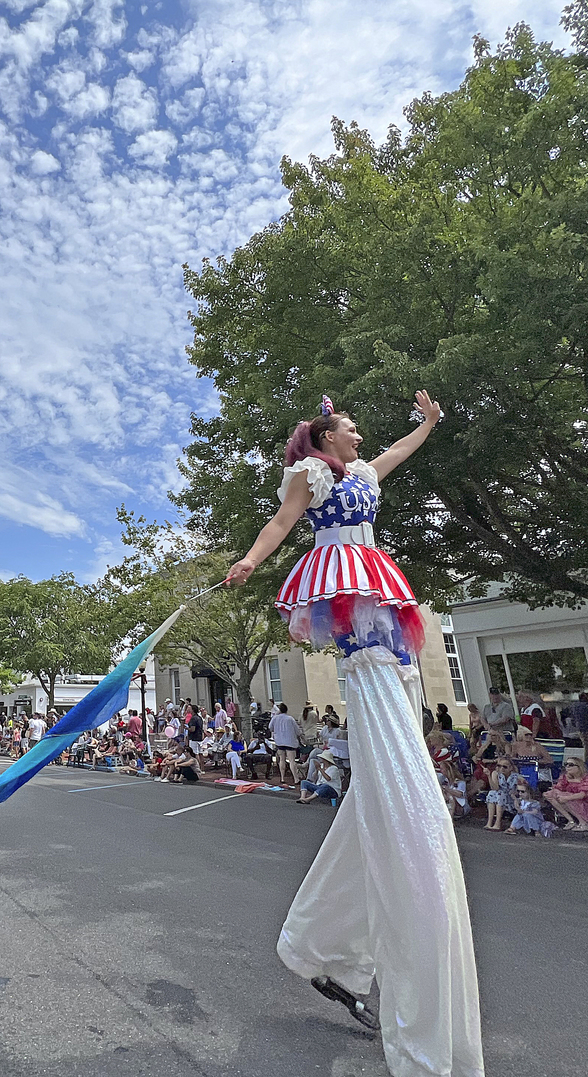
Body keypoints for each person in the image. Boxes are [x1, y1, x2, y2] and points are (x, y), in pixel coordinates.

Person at [226, 390, 482, 1073]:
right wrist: (252, 560)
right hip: (347, 585)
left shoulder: (365, 474)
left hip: (374, 579)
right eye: (349, 427)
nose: (360, 434)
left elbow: (396, 452)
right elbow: (283, 524)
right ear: (325, 437)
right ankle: (338, 950)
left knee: (394, 673)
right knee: (373, 667)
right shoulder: (309, 477)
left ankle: (314, 942)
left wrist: (428, 422)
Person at [543, 757, 588, 831]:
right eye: (566, 764)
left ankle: (583, 823)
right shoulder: (565, 778)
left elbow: (583, 794)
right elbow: (557, 789)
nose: (567, 766)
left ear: (579, 767)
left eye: (571, 765)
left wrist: (566, 797)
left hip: (587, 804)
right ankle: (571, 821)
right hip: (571, 802)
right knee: (552, 794)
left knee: (564, 797)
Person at [484, 757, 523, 831]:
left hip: (512, 799)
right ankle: (490, 822)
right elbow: (495, 788)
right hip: (499, 797)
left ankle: (498, 823)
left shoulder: (516, 777)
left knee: (499, 794)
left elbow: (525, 788)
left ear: (510, 768)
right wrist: (489, 776)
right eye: (499, 766)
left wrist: (516, 792)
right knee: (493, 793)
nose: (501, 768)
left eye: (504, 767)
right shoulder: (496, 774)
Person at [269, 702, 302, 785]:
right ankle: (296, 778)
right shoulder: (290, 719)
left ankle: (282, 778)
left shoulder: (275, 718)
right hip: (290, 741)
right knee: (292, 761)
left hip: (279, 741)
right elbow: (297, 731)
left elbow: (270, 727)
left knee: (282, 760)